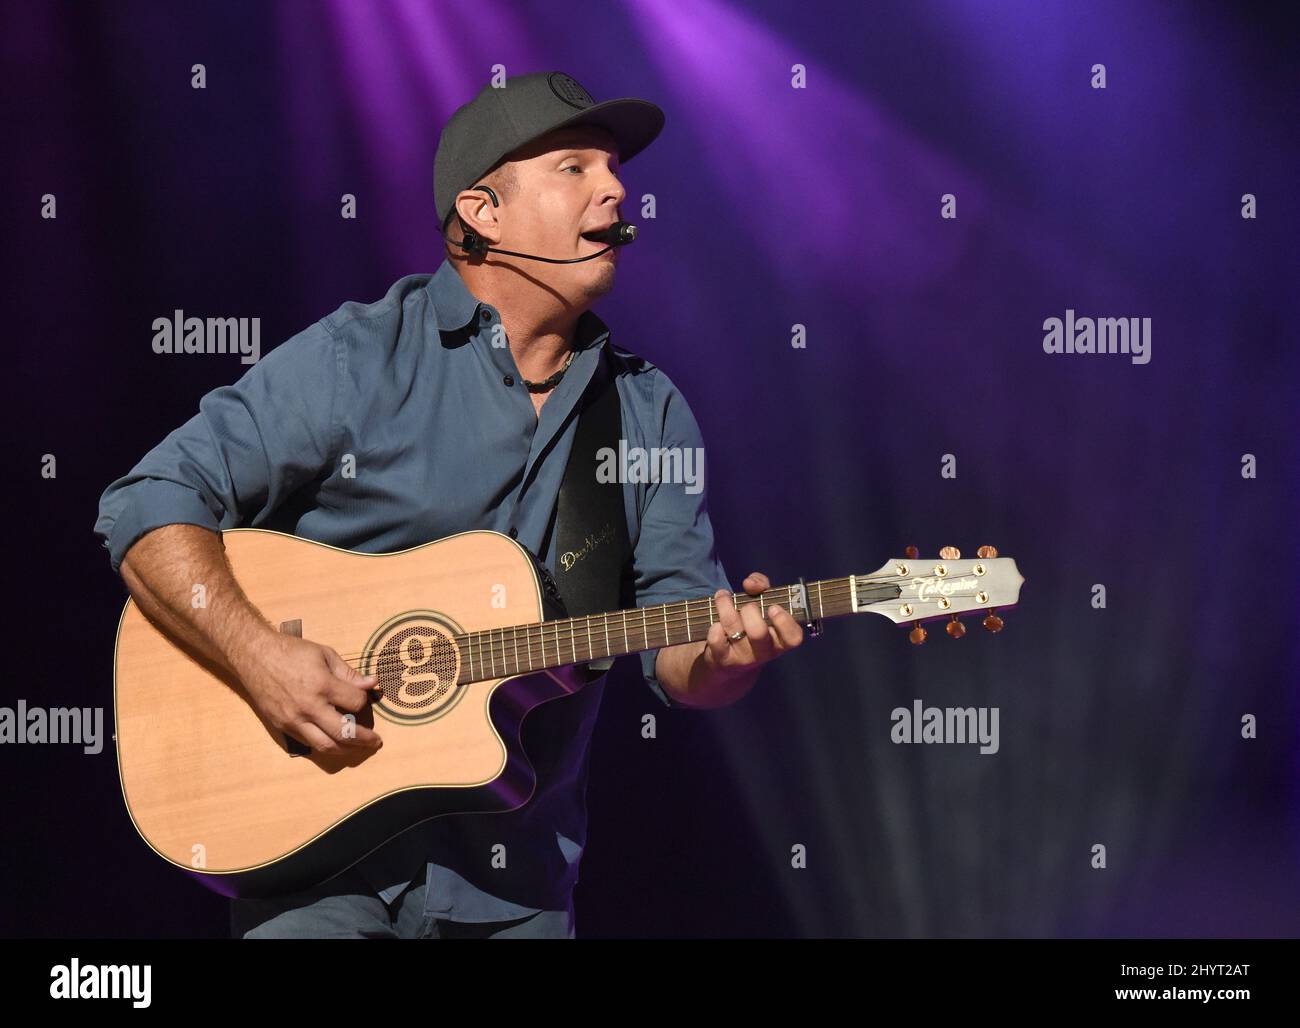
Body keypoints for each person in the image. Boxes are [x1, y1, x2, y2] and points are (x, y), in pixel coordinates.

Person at [94, 71, 805, 939]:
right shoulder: (363, 356)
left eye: (614, 170)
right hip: (311, 872)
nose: (616, 188)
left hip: (515, 893)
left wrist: (734, 657)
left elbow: (681, 655)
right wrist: (258, 656)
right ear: (482, 214)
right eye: (575, 168)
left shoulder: (648, 411)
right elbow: (147, 500)